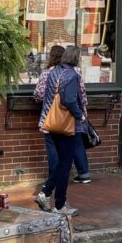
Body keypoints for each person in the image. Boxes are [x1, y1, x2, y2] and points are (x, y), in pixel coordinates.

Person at [35, 45, 86, 215]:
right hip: (66, 125)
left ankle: (45, 192)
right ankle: (59, 205)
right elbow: (70, 100)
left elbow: (43, 95)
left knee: (59, 163)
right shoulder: (72, 75)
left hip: (50, 122)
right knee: (64, 165)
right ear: (75, 58)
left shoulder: (53, 72)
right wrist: (80, 116)